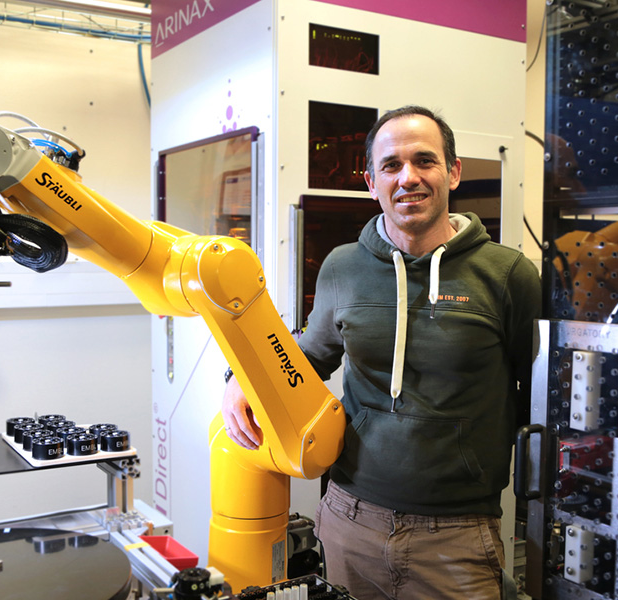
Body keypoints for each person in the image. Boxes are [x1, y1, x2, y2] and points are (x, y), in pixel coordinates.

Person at [222, 105, 541, 600]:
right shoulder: (342, 267)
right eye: (391, 165)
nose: (408, 177)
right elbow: (306, 358)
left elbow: (537, 394)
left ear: (452, 171)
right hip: (349, 519)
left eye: (424, 161)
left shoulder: (508, 275)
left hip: (457, 535)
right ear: (372, 182)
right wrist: (242, 380)